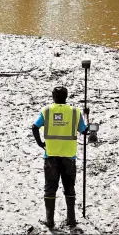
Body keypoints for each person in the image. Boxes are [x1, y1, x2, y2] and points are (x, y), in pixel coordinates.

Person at [31, 86, 88, 228]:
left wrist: (40, 143)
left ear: (53, 96)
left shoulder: (46, 111)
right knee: (69, 187)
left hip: (50, 155)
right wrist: (86, 116)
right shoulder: (75, 112)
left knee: (50, 187)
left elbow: (34, 127)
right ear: (66, 96)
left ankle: (50, 221)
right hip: (69, 156)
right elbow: (85, 131)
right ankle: (71, 220)